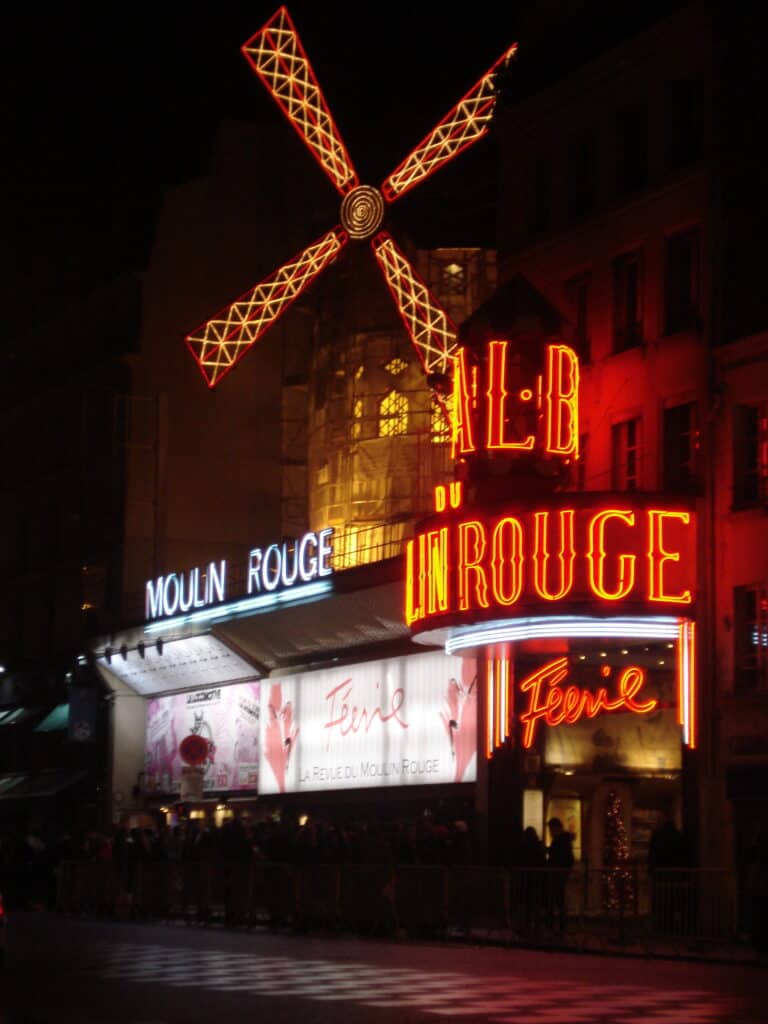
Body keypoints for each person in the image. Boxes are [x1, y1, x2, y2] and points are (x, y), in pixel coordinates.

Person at [546, 817, 574, 931]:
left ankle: (554, 926)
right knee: (557, 900)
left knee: (555, 900)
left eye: (551, 829)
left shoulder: (560, 840)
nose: (550, 832)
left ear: (556, 828)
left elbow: (559, 856)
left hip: (557, 873)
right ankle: (559, 926)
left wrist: (548, 851)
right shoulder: (563, 840)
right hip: (559, 873)